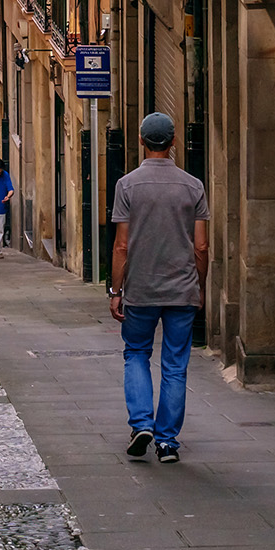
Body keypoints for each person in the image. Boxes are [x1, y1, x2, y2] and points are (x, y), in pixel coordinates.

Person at [109, 111, 209, 465]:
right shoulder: (193, 186)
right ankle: (167, 441)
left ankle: (141, 424)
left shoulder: (128, 185)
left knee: (136, 352)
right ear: (173, 142)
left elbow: (122, 245)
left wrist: (116, 290)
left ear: (140, 141)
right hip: (182, 288)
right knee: (175, 364)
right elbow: (201, 246)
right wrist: (199, 287)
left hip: (141, 288)